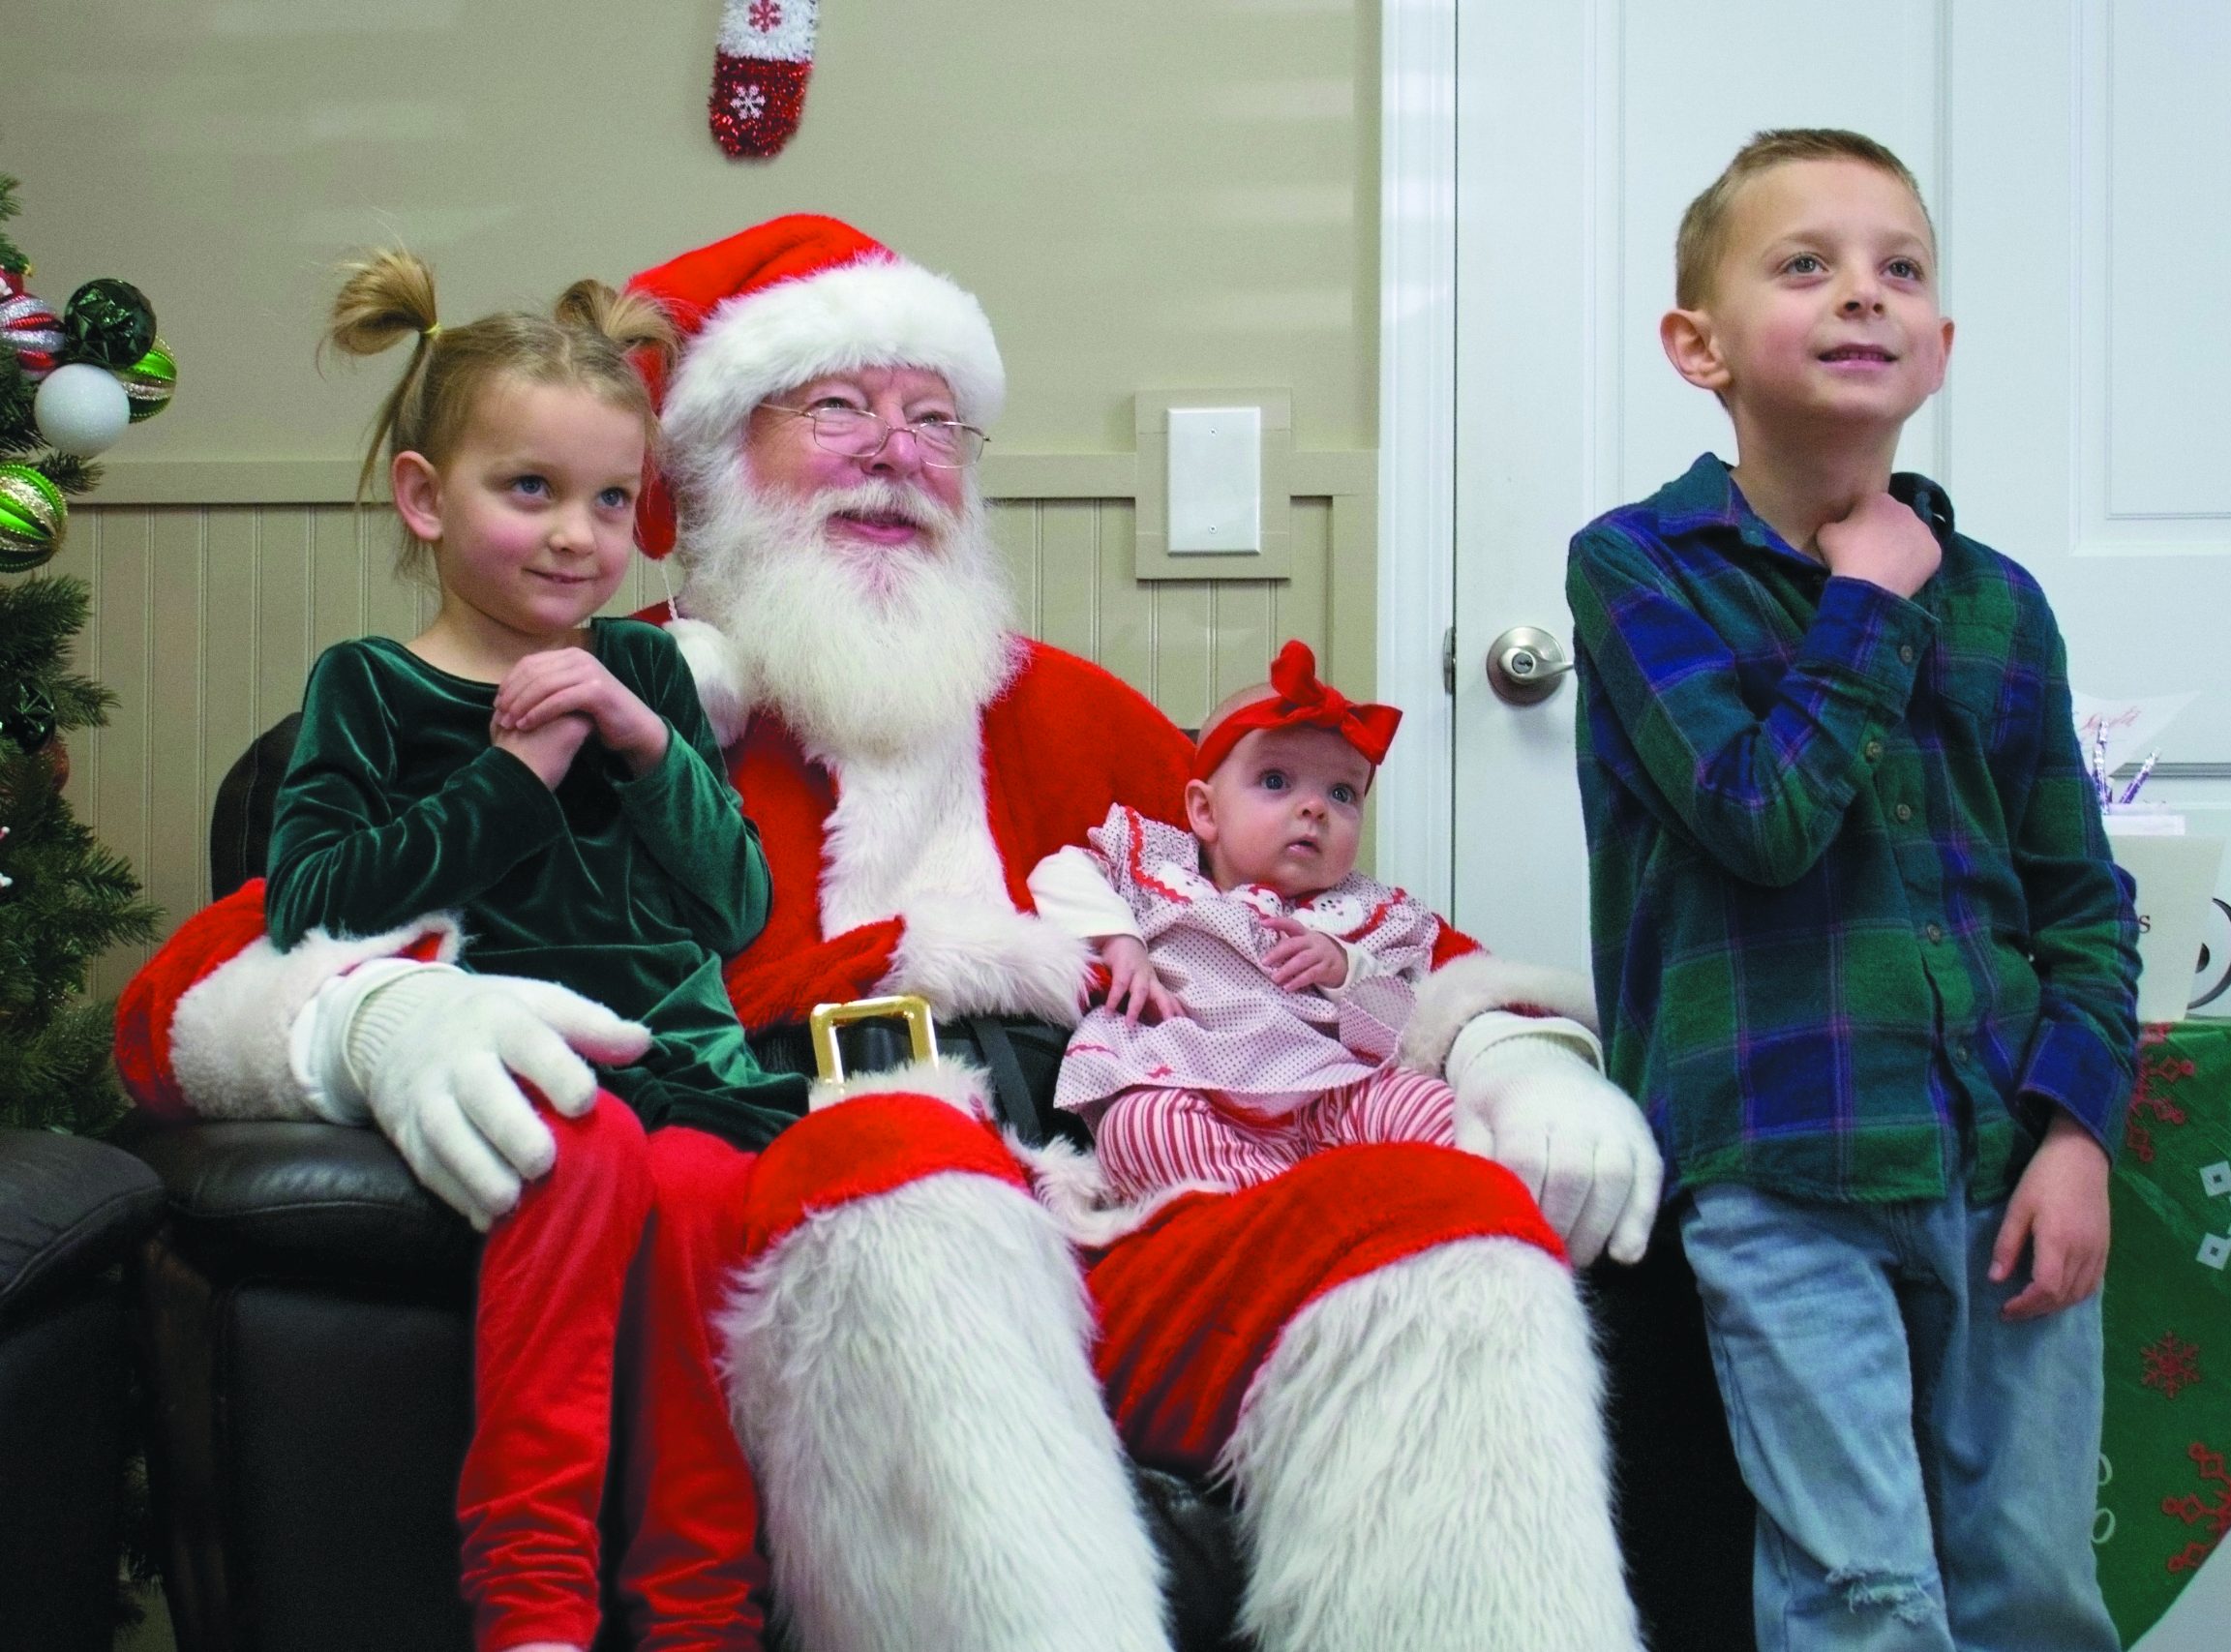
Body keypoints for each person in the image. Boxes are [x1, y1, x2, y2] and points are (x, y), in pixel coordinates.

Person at [120, 214, 1663, 1652]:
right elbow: (210, 977)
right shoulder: (592, 695)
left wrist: (1525, 1057)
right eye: (837, 407)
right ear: (716, 457)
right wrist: (369, 1017)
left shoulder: (1064, 710)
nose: (898, 456)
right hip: (811, 1220)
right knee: (902, 1173)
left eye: (935, 417)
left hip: (1106, 1203)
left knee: (1436, 1226)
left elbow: (1359, 936)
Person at [1566, 129, 2140, 1650]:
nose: (1861, 296)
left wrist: (2077, 1131)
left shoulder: (2004, 602)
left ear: (1939, 345)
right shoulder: (1637, 571)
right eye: (1805, 265)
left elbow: (2080, 901)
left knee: (2036, 1586)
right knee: (1858, 1589)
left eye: (1899, 269)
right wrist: (1868, 599)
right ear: (1699, 345)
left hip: (1998, 1165)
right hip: (1784, 1167)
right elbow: (1760, 816)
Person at [265, 253, 803, 1652]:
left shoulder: (655, 673)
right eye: (532, 491)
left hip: (691, 1068)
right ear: (427, 498)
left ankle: (700, 1614)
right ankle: (533, 1606)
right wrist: (514, 774)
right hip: (518, 1071)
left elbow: (736, 903)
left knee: (697, 1194)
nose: (579, 535)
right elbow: (310, 907)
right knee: (592, 1149)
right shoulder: (371, 687)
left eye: (611, 500)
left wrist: (635, 737)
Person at [1031, 640, 1492, 1203]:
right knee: (1137, 1127)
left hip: (1334, 1090)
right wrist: (1120, 940)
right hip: (1194, 1084)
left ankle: (1396, 1214)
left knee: (1436, 1109)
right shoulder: (1160, 866)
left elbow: (1410, 1021)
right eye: (1276, 781)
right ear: (1205, 812)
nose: (1314, 808)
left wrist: (1347, 967)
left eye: (1342, 792)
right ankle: (1274, 1215)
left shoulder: (1365, 911)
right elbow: (1059, 872)